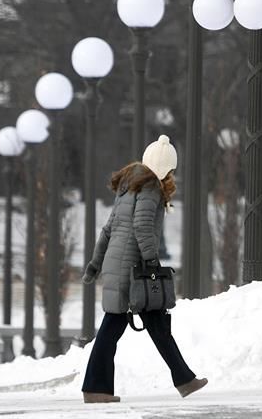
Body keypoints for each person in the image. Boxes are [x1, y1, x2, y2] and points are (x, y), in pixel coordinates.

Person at [81, 135, 207, 403]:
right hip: (133, 268)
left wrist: (95, 263)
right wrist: (151, 262)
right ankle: (96, 389)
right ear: (165, 167)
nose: (173, 174)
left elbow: (108, 228)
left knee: (154, 323)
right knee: (116, 327)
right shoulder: (149, 186)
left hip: (121, 264)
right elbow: (142, 227)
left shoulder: (129, 186)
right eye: (172, 169)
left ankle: (184, 379)